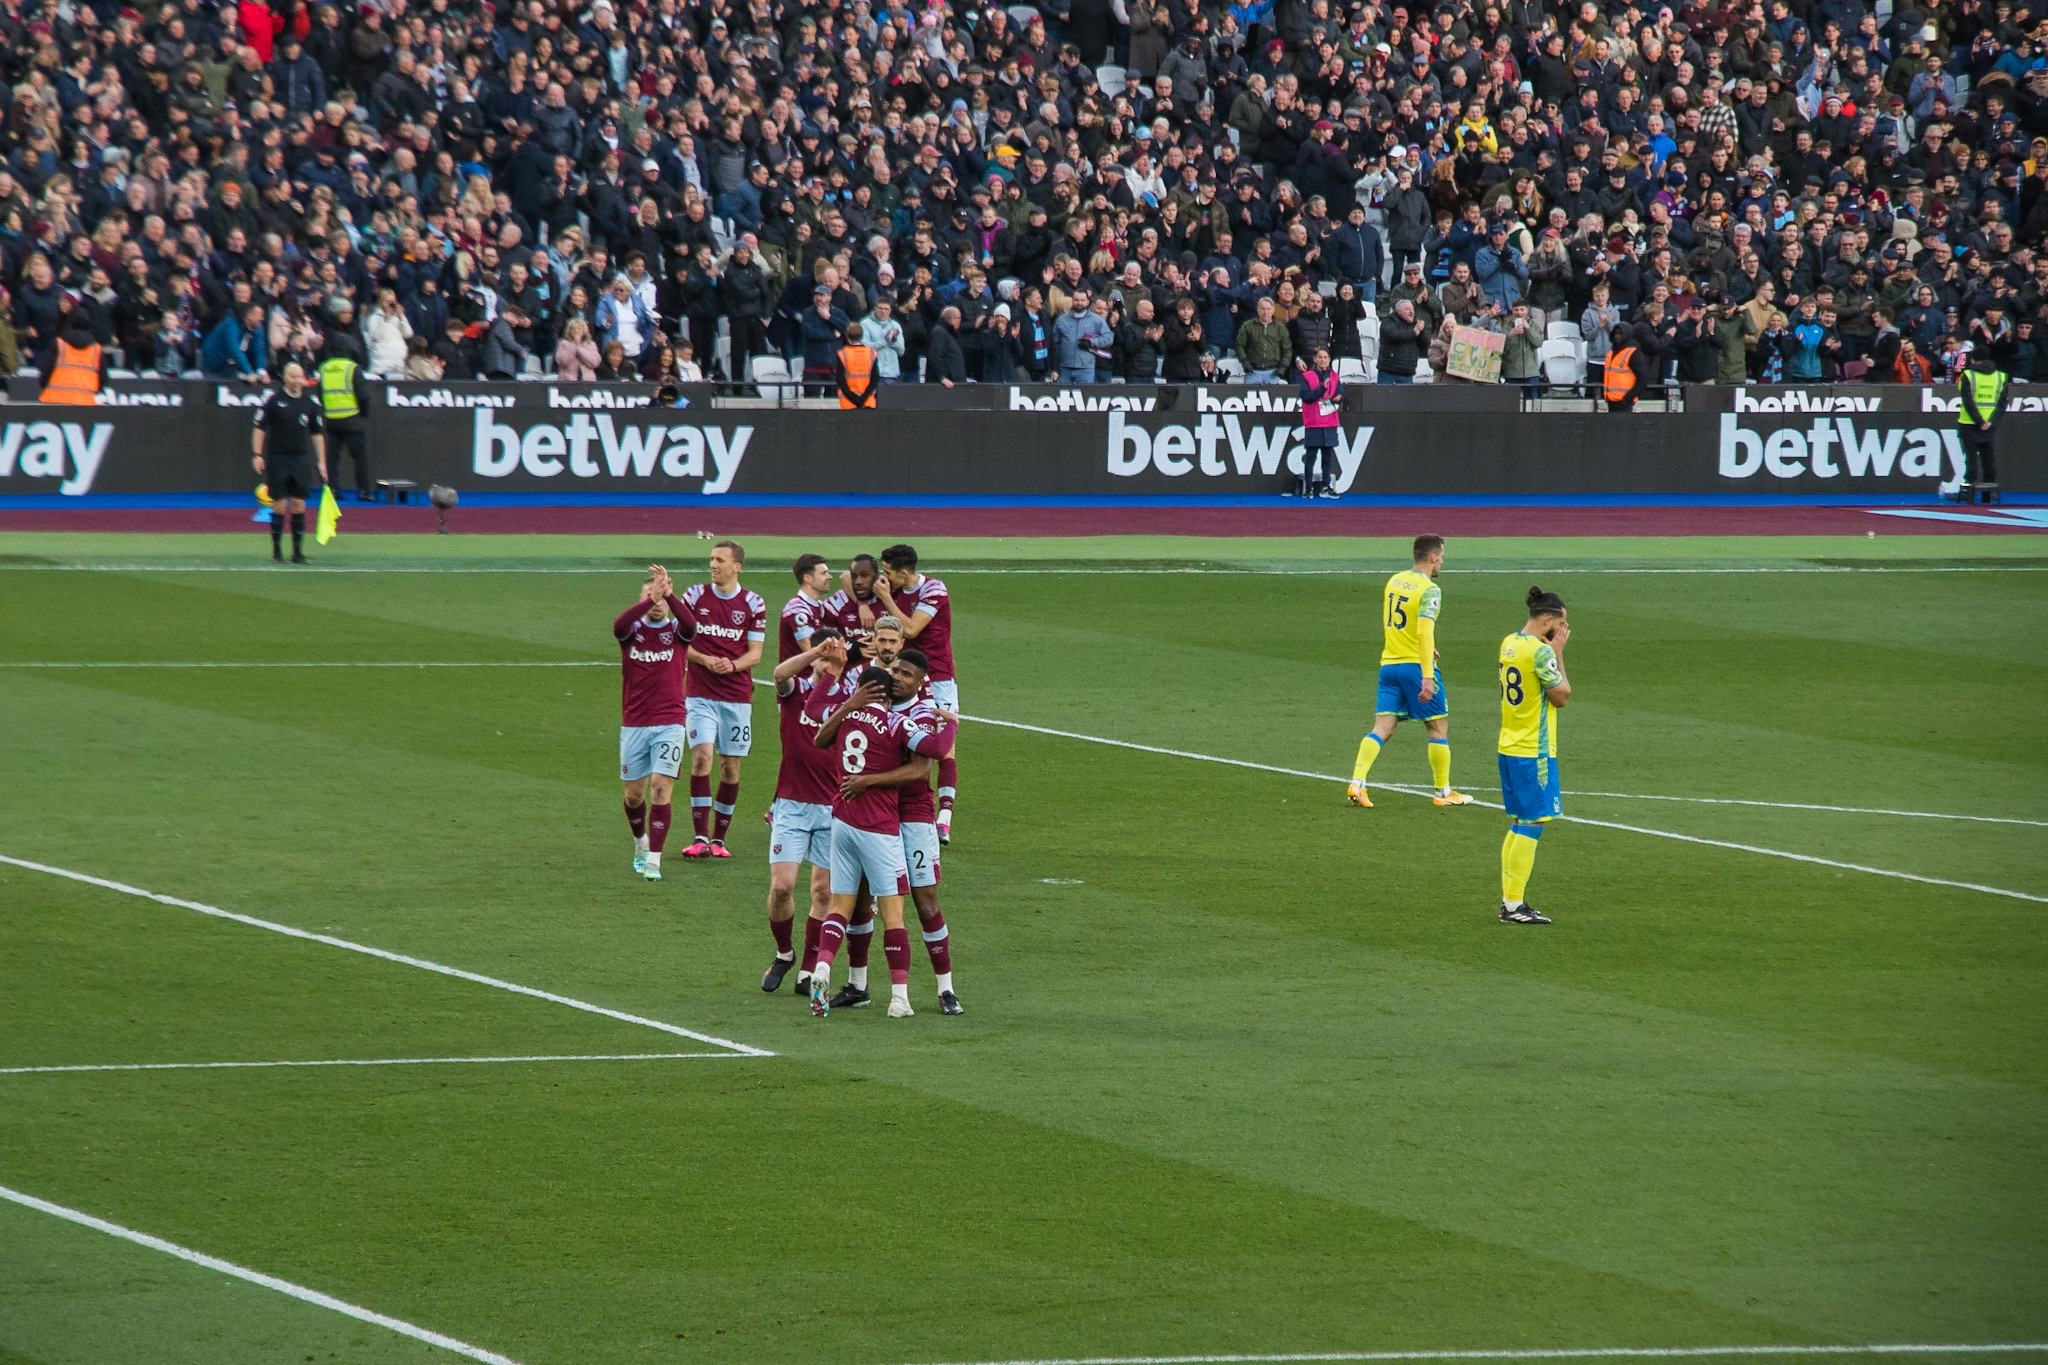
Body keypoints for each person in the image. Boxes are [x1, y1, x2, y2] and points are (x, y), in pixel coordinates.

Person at [806, 667, 949, 1018]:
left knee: (841, 905)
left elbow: (819, 738)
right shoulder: (898, 723)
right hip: (880, 827)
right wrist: (951, 724)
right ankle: (899, 998)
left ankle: (822, 967)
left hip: (842, 820)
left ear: (859, 689)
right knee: (893, 913)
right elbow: (933, 751)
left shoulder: (845, 717)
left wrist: (847, 703)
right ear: (886, 694)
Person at [1347, 534, 1476, 809]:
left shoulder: (1395, 581)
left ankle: (1357, 782)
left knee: (1382, 727)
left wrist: (1424, 649)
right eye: (1441, 557)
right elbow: (1424, 631)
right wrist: (1427, 675)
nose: (1442, 562)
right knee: (1437, 726)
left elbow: (1396, 625)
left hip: (1389, 665)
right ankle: (1443, 791)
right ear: (1432, 557)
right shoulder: (1430, 590)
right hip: (1415, 667)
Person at [764, 628, 848, 995]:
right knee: (782, 888)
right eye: (821, 656)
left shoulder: (848, 699)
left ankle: (809, 969)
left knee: (824, 893)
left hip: (832, 806)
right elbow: (778, 673)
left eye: (833, 656)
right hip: (792, 804)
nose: (826, 663)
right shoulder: (795, 691)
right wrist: (816, 653)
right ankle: (784, 953)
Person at [677, 540, 767, 858]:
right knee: (702, 758)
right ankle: (700, 837)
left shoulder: (753, 603)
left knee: (730, 768)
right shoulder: (694, 596)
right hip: (699, 694)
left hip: (736, 698)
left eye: (720, 560)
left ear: (736, 566)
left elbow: (755, 653)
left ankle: (719, 840)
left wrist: (732, 665)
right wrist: (704, 659)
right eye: (712, 558)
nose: (713, 564)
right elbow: (681, 643)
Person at [1497, 586, 1573, 924]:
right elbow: (1562, 696)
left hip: (1509, 745)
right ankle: (1513, 906)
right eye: (1562, 624)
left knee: (1519, 823)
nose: (1564, 630)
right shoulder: (1541, 653)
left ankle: (1511, 902)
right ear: (1548, 620)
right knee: (1533, 824)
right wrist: (1558, 654)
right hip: (1534, 751)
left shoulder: (1510, 642)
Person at [872, 543, 959, 842]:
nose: (884, 578)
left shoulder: (934, 589)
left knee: (944, 748)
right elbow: (849, 578)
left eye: (888, 572)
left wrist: (885, 597)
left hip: (939, 677)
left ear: (905, 572)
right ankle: (902, 807)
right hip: (904, 677)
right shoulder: (894, 588)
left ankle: (944, 819)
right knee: (898, 738)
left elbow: (910, 629)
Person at [614, 564, 693, 882]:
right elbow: (618, 625)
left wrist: (669, 595)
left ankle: (654, 860)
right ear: (642, 599)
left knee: (661, 787)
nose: (658, 601)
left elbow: (692, 624)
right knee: (634, 796)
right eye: (651, 595)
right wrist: (652, 597)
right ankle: (640, 842)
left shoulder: (677, 632)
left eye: (662, 597)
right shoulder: (631, 632)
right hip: (634, 722)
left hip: (670, 721)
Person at [251, 361, 327, 565]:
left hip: (299, 459)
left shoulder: (309, 404)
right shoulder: (274, 401)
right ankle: (277, 551)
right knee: (278, 504)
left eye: (299, 376)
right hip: (278, 458)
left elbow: (317, 434)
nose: (296, 380)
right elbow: (259, 427)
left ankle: (297, 552)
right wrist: (257, 454)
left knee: (298, 503)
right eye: (292, 376)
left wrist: (321, 462)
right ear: (285, 378)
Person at [317, 339, 373, 503]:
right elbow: (363, 396)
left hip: (331, 419)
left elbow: (320, 394)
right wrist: (363, 413)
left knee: (332, 457)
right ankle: (363, 491)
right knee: (359, 456)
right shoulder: (352, 368)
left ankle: (333, 490)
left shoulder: (324, 368)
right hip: (351, 419)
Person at [1955, 351, 2008, 501]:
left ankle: (1969, 495)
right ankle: (1987, 497)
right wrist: (1991, 421)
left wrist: (1979, 421)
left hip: (1968, 422)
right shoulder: (2001, 376)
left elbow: (1967, 401)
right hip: (1990, 424)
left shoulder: (1968, 375)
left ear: (1973, 360)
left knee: (1971, 460)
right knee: (1988, 460)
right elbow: (2003, 403)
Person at [1294, 348, 1342, 499]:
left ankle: (1326, 487)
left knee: (1327, 457)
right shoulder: (1307, 376)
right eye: (1320, 357)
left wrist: (1338, 398)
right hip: (1314, 421)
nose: (1323, 360)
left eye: (1325, 357)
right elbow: (1306, 396)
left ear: (1329, 359)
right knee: (1311, 457)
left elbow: (1340, 392)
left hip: (1330, 421)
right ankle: (1308, 488)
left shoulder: (1334, 376)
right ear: (1315, 359)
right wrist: (1322, 388)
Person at [38, 318, 104, 404]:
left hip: (54, 401)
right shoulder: (96, 349)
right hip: (85, 402)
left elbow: (46, 370)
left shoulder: (58, 344)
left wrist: (43, 385)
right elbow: (102, 378)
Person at [1603, 326, 1647, 411]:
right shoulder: (1610, 353)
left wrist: (1627, 399)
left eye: (1620, 334)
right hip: (1610, 401)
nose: (1617, 336)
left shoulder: (1633, 353)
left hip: (1624, 403)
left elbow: (1643, 379)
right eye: (1616, 333)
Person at [834, 323, 879, 409]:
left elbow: (840, 381)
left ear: (847, 336)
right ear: (862, 335)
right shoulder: (872, 353)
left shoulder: (842, 354)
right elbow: (875, 379)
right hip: (868, 401)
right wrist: (863, 399)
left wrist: (854, 399)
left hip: (847, 402)